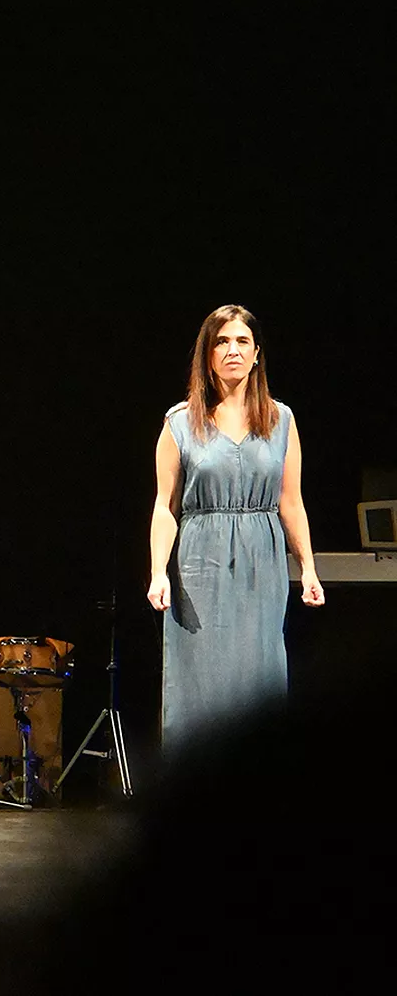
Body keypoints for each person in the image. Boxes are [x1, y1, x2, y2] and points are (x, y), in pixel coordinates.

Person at [148, 304, 323, 754]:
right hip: (199, 565)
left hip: (261, 564)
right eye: (222, 342)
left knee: (259, 677)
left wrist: (308, 567)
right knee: (201, 681)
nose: (232, 350)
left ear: (257, 353)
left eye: (242, 341)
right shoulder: (180, 423)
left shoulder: (281, 420)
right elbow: (165, 507)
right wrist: (158, 572)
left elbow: (291, 501)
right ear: (208, 355)